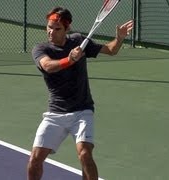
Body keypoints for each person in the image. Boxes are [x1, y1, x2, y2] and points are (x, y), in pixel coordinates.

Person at [27, 6, 133, 180]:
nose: (51, 32)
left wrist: (119, 38)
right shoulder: (41, 49)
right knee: (35, 159)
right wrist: (69, 59)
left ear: (67, 28)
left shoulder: (78, 40)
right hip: (55, 113)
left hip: (82, 111)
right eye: (49, 27)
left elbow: (111, 50)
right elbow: (48, 66)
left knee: (84, 154)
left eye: (57, 29)